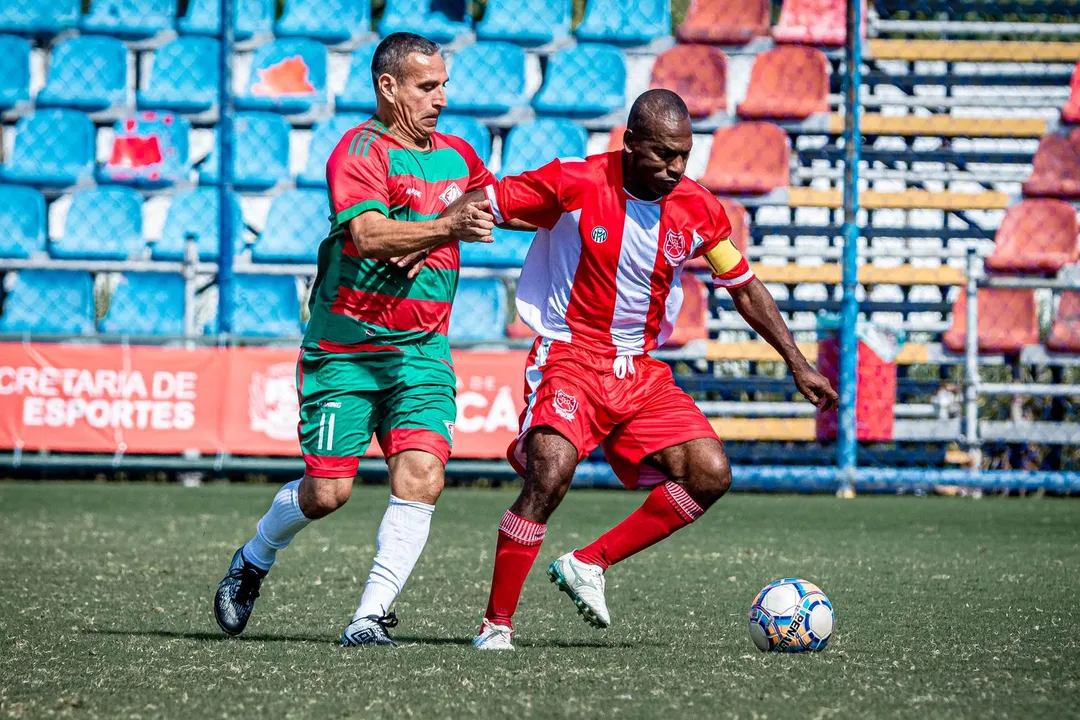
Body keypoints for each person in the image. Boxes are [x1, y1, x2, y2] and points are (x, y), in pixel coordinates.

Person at [457, 89, 839, 650]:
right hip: (569, 354)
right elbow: (482, 200)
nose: (676, 167)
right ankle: (496, 625)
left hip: (638, 369)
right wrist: (420, 239)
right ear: (630, 142)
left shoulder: (699, 207)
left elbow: (744, 287)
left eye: (684, 154)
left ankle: (590, 562)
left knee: (709, 473)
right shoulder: (577, 181)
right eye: (663, 154)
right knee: (550, 472)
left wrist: (797, 361)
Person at [213, 31, 499, 647]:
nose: (441, 99)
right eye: (428, 86)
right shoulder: (359, 151)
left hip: (422, 350)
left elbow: (485, 196)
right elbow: (368, 235)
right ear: (387, 87)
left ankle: (368, 617)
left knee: (423, 474)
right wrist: (439, 227)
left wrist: (439, 230)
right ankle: (255, 556)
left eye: (445, 85)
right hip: (345, 352)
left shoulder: (458, 154)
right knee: (328, 491)